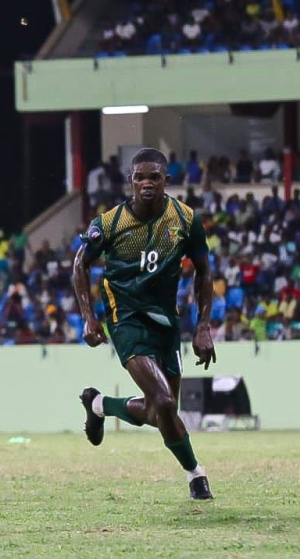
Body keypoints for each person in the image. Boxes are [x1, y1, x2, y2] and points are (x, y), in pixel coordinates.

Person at [72, 148, 216, 501]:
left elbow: (204, 271)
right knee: (165, 402)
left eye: (154, 177)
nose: (147, 183)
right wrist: (90, 318)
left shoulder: (185, 219)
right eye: (140, 177)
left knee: (160, 413)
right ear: (131, 182)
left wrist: (202, 326)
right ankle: (196, 475)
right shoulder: (108, 224)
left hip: (167, 321)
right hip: (126, 318)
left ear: (167, 180)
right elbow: (80, 264)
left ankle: (99, 405)